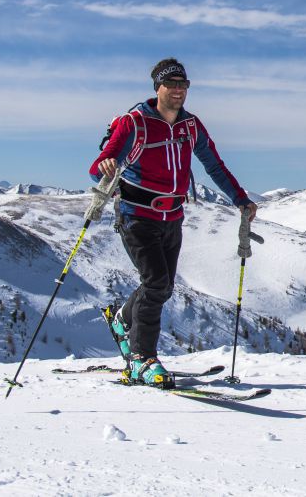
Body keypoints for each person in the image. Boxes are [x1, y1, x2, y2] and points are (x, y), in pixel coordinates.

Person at [90, 58, 257, 388]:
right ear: (158, 87)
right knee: (156, 283)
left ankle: (124, 319)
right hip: (136, 214)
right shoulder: (133, 122)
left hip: (172, 217)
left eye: (184, 85)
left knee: (161, 285)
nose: (179, 90)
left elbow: (214, 166)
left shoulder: (191, 126)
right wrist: (107, 163)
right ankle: (142, 358)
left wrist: (240, 199)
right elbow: (98, 168)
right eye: (173, 84)